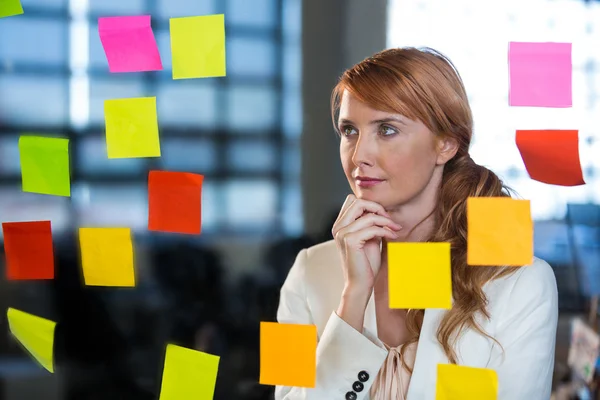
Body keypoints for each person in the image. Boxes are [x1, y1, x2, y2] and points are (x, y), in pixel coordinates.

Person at [275, 47, 558, 400]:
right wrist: (353, 300)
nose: (359, 156)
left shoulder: (521, 280)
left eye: (387, 129)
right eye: (349, 130)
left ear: (446, 144)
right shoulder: (305, 270)